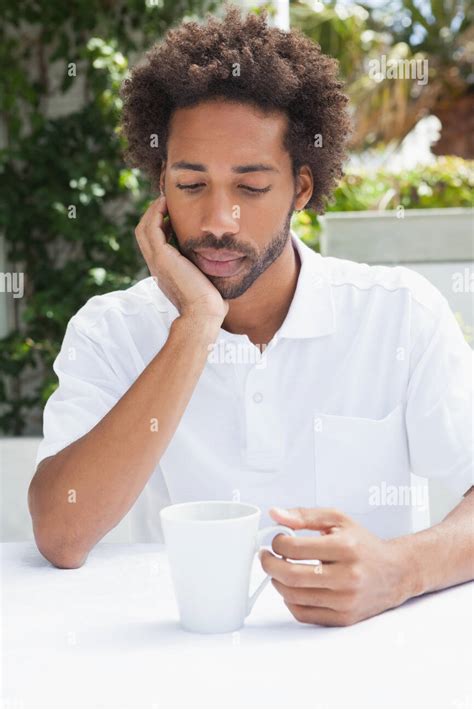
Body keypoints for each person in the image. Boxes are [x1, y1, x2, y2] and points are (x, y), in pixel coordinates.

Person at [28, 6, 473, 627]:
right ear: (161, 188)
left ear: (303, 189)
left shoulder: (399, 316)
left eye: (251, 187)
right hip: (170, 664)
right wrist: (195, 325)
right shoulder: (111, 331)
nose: (217, 221)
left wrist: (401, 569)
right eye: (191, 185)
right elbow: (61, 531)